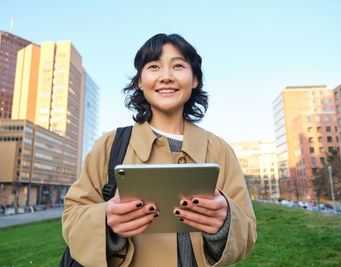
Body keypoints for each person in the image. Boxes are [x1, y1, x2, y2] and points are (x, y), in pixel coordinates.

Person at [62, 33, 256, 267]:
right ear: (140, 82)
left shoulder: (220, 150)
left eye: (178, 66)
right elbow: (72, 219)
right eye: (154, 66)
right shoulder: (109, 145)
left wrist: (224, 224)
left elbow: (246, 232)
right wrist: (105, 221)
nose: (166, 76)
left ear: (194, 79)